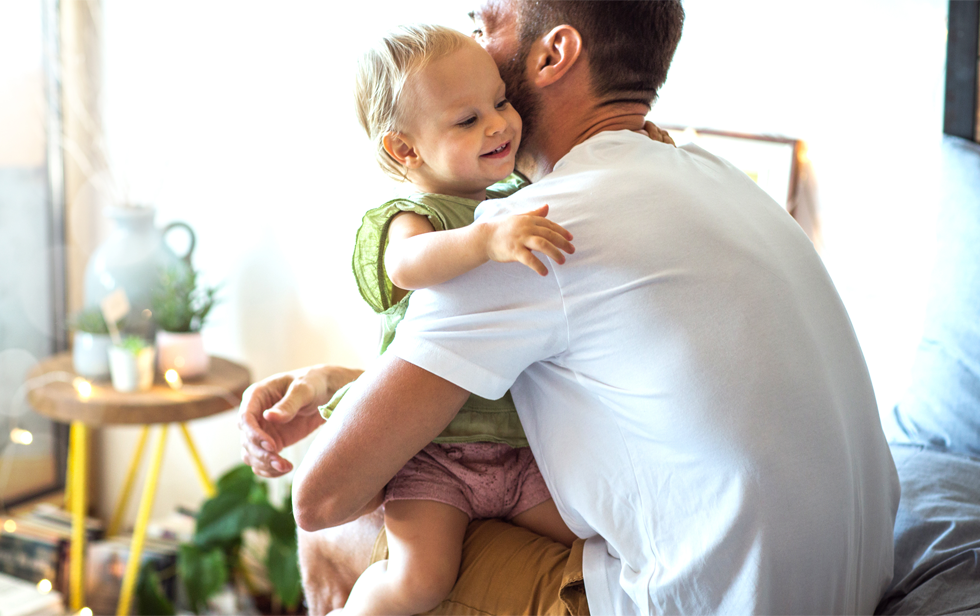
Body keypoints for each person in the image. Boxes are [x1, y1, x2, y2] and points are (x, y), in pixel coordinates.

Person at [239, 1, 901, 613]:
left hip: (704, 601)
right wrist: (339, 385)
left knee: (351, 531)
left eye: (486, 24)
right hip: (856, 581)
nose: (472, 46)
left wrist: (352, 416)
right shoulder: (718, 175)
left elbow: (320, 497)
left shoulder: (529, 232)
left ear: (553, 55)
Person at [324, 24, 577, 614]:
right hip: (435, 457)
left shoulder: (519, 189)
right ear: (404, 150)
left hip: (519, 451)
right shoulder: (413, 215)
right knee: (420, 581)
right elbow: (407, 265)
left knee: (594, 542)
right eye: (467, 121)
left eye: (500, 101)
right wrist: (483, 238)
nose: (498, 124)